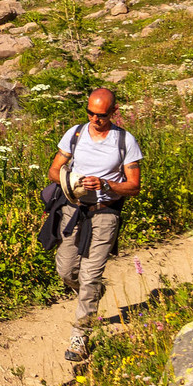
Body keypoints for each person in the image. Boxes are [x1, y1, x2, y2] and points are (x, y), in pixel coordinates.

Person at [46, 85, 142, 364]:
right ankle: (92, 294)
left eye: (100, 115)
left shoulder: (125, 141)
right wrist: (72, 180)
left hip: (105, 213)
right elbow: (54, 169)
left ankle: (80, 335)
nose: (94, 119)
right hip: (73, 209)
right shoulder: (75, 133)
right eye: (90, 113)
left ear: (113, 112)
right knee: (66, 269)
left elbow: (134, 186)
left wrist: (107, 184)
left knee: (89, 275)